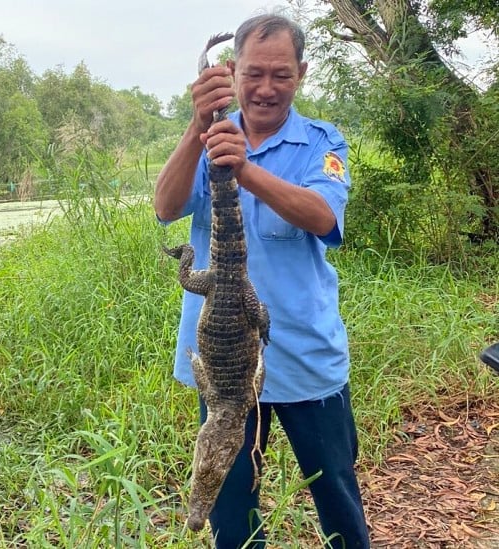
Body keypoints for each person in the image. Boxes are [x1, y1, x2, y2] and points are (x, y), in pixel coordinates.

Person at [154, 13, 370, 548]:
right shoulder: (209, 136)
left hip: (304, 358)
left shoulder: (323, 142)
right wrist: (198, 126)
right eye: (253, 74)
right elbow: (165, 207)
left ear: (301, 73)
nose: (266, 88)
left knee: (336, 494)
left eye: (281, 75)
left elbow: (323, 215)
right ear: (233, 71)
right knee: (231, 508)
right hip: (225, 367)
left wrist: (245, 168)